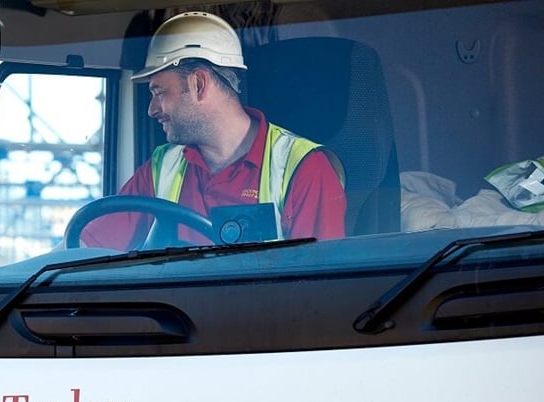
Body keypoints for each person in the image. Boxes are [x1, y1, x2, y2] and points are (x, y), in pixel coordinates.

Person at [80, 11, 347, 249]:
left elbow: (323, 283)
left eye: (159, 92)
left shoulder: (305, 168)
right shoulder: (162, 168)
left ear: (198, 84)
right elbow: (86, 247)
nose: (152, 110)